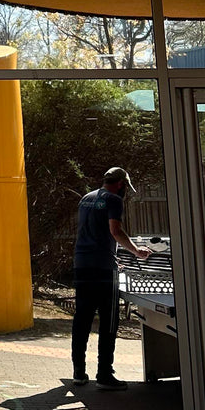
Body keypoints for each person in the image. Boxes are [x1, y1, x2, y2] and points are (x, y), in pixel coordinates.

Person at [70, 166, 150, 390]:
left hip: (82, 264)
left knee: (82, 319)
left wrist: (112, 256)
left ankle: (78, 371)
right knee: (108, 322)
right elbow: (115, 231)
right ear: (121, 184)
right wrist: (136, 251)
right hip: (103, 270)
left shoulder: (86, 198)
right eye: (126, 187)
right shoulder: (114, 200)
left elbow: (93, 232)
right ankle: (104, 374)